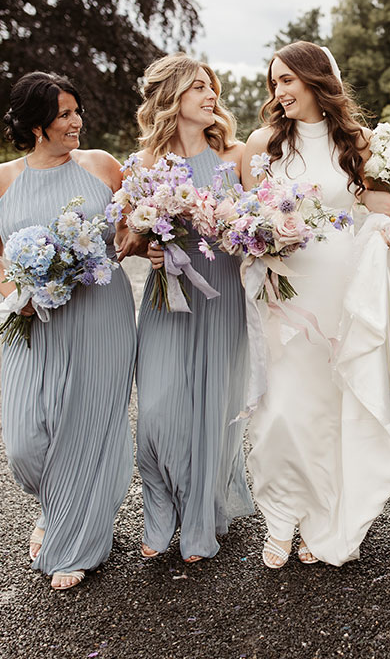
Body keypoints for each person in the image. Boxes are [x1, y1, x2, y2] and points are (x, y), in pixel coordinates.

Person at [240, 41, 390, 568]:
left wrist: (383, 229)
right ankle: (282, 515)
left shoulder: (356, 141)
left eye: (287, 80)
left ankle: (322, 517)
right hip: (284, 288)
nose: (279, 91)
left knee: (330, 406)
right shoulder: (263, 144)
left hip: (338, 284)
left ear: (315, 80)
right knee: (283, 408)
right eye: (274, 82)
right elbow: (247, 216)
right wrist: (257, 239)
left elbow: (383, 206)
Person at [0, 72, 136, 590]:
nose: (76, 122)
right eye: (64, 114)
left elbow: (132, 233)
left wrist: (148, 239)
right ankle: (54, 505)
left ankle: (75, 541)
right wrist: (11, 293)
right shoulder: (1, 179)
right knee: (25, 442)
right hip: (34, 320)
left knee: (89, 423)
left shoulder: (102, 167)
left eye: (76, 111)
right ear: (35, 124)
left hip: (101, 316)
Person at [117, 54, 254, 564]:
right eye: (198, 87)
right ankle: (159, 509)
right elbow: (125, 236)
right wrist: (147, 245)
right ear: (172, 97)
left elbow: (256, 223)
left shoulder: (235, 157)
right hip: (167, 297)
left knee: (212, 411)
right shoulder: (145, 164)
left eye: (211, 86)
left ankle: (198, 518)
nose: (210, 94)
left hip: (222, 293)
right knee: (157, 411)